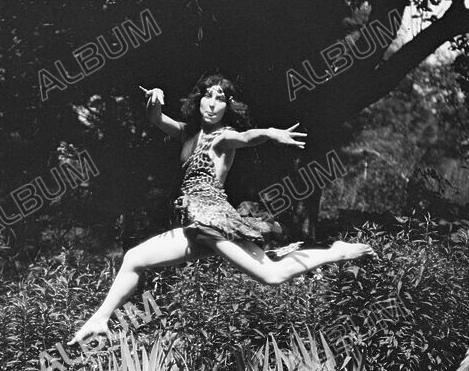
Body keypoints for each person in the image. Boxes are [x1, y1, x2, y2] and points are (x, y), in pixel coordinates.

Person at [69, 74, 374, 345]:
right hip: (194, 226)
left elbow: (245, 138)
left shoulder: (222, 137)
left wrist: (270, 133)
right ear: (199, 100)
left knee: (271, 276)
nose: (213, 104)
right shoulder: (189, 133)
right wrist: (155, 99)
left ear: (228, 107)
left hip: (213, 222)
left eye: (221, 99)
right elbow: (155, 118)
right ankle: (101, 318)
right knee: (134, 258)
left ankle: (335, 251)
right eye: (208, 96)